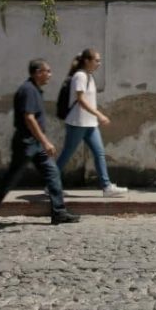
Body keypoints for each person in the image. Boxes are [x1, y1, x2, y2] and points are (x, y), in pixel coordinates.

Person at [0, 59, 80, 227]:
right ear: (38, 72)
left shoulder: (35, 90)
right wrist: (45, 141)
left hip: (35, 144)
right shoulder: (28, 90)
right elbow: (29, 118)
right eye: (48, 71)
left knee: (52, 173)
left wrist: (41, 143)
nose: (50, 74)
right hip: (26, 143)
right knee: (10, 180)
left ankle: (59, 212)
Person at [56, 48, 128, 198]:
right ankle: (51, 185)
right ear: (87, 61)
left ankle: (107, 187)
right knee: (67, 154)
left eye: (99, 60)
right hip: (77, 123)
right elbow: (81, 100)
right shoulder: (80, 76)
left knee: (99, 153)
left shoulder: (89, 76)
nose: (99, 63)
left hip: (90, 124)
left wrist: (95, 117)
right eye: (97, 60)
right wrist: (99, 114)